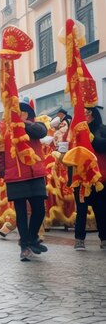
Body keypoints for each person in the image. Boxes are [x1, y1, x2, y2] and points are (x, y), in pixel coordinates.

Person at [0, 101, 48, 261]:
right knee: (21, 213)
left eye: (21, 112)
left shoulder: (35, 126)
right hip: (16, 176)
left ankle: (32, 238)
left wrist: (22, 124)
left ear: (27, 114)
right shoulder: (4, 130)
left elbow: (41, 132)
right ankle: (24, 245)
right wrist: (3, 171)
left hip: (35, 173)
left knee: (39, 209)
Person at [72, 106, 106, 251]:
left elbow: (103, 145)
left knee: (102, 210)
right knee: (81, 210)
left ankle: (104, 239)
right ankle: (79, 239)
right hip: (80, 176)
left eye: (84, 113)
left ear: (90, 114)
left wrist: (90, 138)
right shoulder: (76, 132)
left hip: (99, 177)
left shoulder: (102, 128)